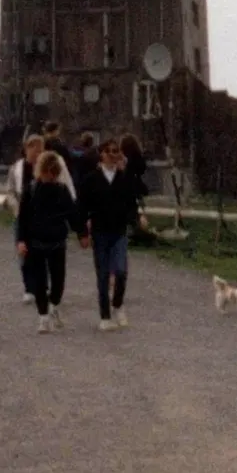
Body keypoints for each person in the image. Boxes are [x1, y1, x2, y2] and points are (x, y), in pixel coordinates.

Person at [15, 151, 88, 335]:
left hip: (57, 242)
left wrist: (82, 233)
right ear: (41, 171)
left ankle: (54, 304)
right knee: (39, 282)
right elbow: (22, 218)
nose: (50, 176)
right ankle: (43, 317)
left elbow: (73, 214)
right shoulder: (30, 190)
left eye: (54, 173)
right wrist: (21, 240)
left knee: (58, 282)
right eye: (47, 172)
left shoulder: (62, 190)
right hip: (35, 242)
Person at [78, 137, 142, 331]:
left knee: (121, 271)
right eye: (110, 151)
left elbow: (131, 203)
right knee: (103, 275)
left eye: (116, 151)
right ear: (102, 154)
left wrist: (136, 220)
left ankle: (118, 304)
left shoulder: (124, 179)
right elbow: (81, 207)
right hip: (99, 232)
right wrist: (82, 232)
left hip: (119, 231)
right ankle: (105, 316)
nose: (114, 155)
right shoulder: (91, 180)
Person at [8, 135, 76, 302]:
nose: (37, 153)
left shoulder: (50, 166)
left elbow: (66, 186)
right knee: (25, 252)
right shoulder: (17, 168)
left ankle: (44, 286)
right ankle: (29, 287)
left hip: (46, 217)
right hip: (23, 214)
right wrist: (15, 207)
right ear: (27, 149)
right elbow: (10, 191)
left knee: (43, 254)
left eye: (40, 150)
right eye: (34, 150)